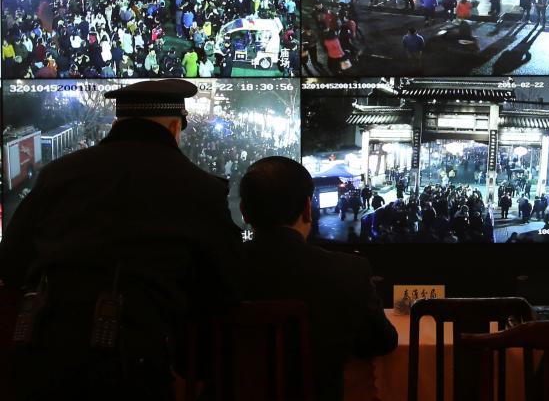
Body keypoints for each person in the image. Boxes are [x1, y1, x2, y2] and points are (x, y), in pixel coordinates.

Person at [0, 80, 244, 401]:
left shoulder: (58, 173)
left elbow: (12, 262)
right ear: (175, 128)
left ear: (117, 124)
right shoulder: (201, 187)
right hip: (136, 367)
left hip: (41, 360)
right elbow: (225, 284)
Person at [240, 157, 397, 401]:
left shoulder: (214, 268)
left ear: (244, 212)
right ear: (307, 208)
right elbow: (382, 341)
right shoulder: (349, 270)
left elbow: (189, 363)